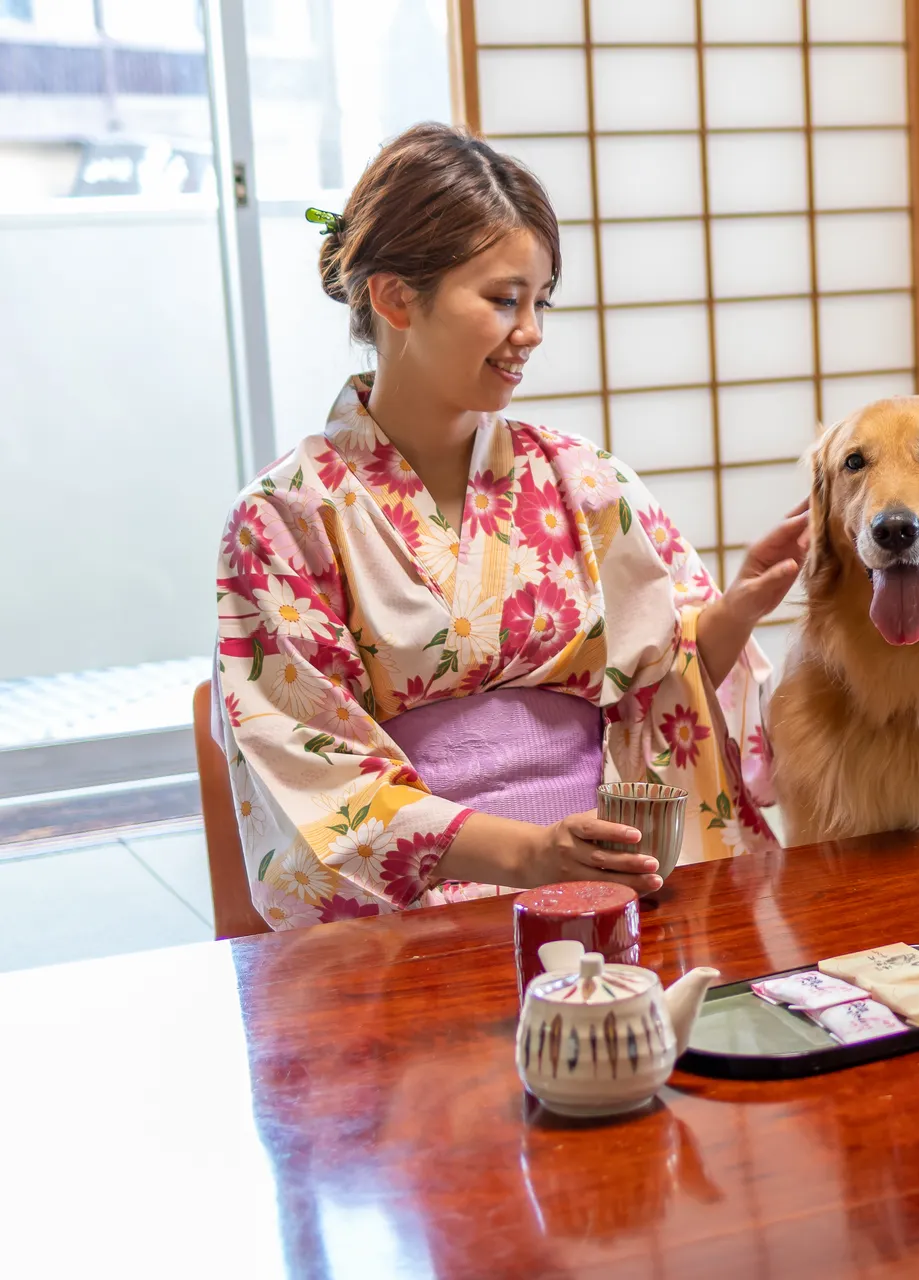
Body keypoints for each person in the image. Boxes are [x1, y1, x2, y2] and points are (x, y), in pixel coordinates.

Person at [213, 123, 802, 928]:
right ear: (393, 297)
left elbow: (667, 683)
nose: (531, 332)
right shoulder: (283, 519)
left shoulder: (586, 480)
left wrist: (737, 610)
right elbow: (313, 768)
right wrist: (527, 854)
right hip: (414, 916)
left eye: (539, 302)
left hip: (604, 881)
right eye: (502, 299)